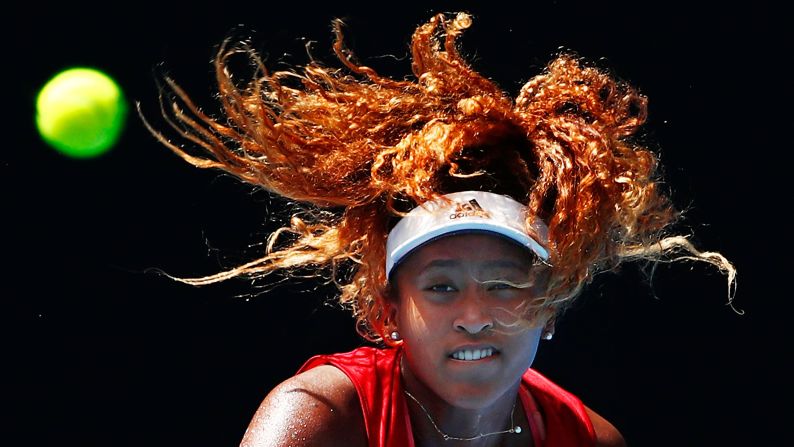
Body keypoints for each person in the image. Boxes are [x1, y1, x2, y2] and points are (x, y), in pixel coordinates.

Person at [140, 11, 737, 447]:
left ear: (550, 309)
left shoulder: (589, 440)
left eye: (505, 285)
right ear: (387, 313)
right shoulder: (320, 417)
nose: (475, 313)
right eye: (442, 286)